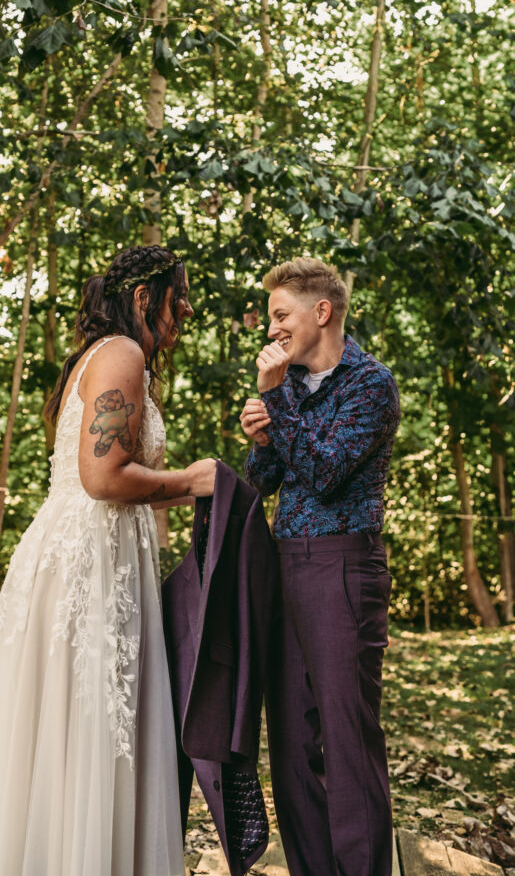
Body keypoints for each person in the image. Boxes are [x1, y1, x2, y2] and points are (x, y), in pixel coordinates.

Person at [0, 244, 217, 876]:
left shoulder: (105, 355)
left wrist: (190, 494)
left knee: (80, 733)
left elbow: (107, 476)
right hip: (89, 567)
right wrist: (189, 479)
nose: (188, 309)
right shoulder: (122, 354)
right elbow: (102, 477)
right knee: (90, 731)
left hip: (95, 554)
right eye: (179, 295)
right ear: (144, 297)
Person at [240, 257, 400, 876]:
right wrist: (262, 439)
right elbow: (267, 481)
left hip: (343, 567)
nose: (273, 328)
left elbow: (328, 472)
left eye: (282, 314)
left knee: (347, 737)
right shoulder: (292, 386)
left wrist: (275, 401)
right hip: (285, 565)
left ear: (322, 312)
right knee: (290, 741)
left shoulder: (370, 383)